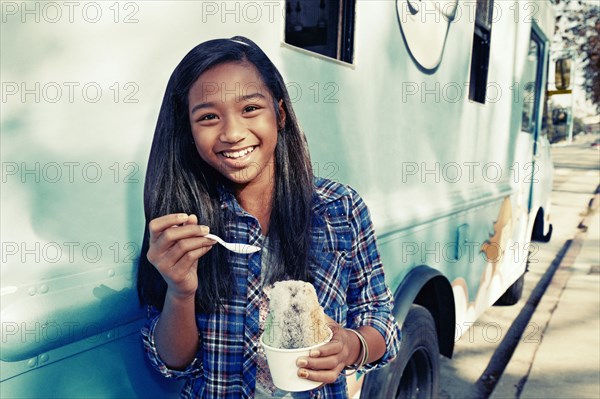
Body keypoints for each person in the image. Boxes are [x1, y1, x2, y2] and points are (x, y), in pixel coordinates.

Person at [136, 36, 401, 398]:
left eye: (250, 109)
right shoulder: (183, 224)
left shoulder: (339, 208)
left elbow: (380, 318)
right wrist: (181, 292)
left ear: (279, 113)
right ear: (189, 131)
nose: (232, 133)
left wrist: (351, 347)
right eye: (208, 117)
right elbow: (170, 363)